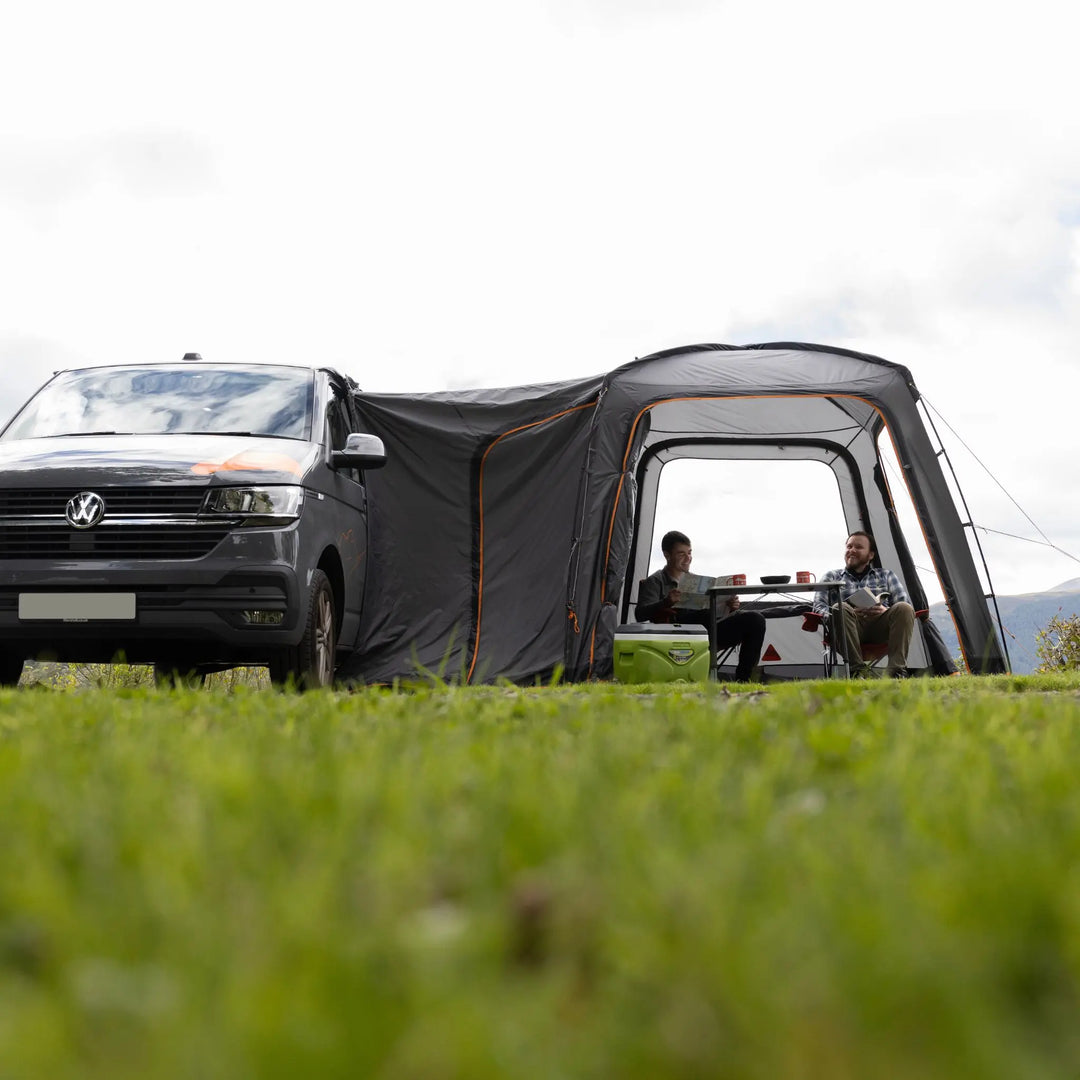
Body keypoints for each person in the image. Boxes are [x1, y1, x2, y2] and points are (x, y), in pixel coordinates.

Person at [635, 530, 766, 683]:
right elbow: (640, 614)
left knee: (755, 619)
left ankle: (744, 680)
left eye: (689, 553)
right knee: (700, 615)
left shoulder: (696, 581)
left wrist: (729, 606)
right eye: (681, 554)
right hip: (681, 633)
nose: (687, 558)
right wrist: (666, 602)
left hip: (710, 628)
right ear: (667, 555)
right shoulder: (655, 581)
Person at [813, 531, 916, 677]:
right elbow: (817, 606)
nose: (852, 550)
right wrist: (841, 612)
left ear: (871, 555)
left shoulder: (886, 575)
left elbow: (905, 603)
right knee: (839, 608)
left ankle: (896, 671)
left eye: (859, 547)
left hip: (880, 629)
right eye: (849, 546)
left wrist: (884, 609)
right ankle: (857, 672)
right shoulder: (832, 577)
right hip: (847, 629)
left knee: (904, 608)